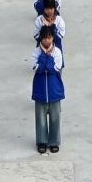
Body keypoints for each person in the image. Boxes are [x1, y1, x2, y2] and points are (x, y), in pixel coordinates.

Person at [32, 24, 65, 154]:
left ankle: (54, 141)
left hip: (54, 89)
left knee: (55, 117)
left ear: (52, 38)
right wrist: (44, 56)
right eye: (45, 38)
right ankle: (42, 141)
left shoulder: (57, 52)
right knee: (40, 118)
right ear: (41, 39)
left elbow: (54, 69)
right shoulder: (36, 52)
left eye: (49, 37)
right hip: (40, 89)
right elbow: (37, 68)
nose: (47, 40)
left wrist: (46, 58)